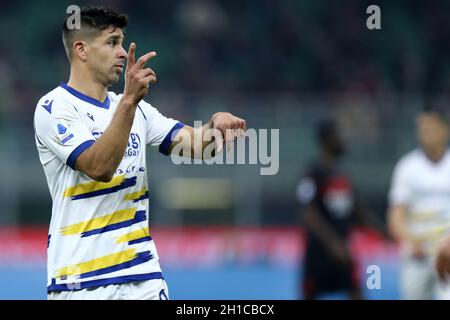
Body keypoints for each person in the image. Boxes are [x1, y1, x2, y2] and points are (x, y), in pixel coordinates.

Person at [33, 6, 245, 300]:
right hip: (81, 282)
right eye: (112, 42)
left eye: (122, 42)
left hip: (144, 277)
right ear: (81, 49)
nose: (122, 52)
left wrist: (216, 126)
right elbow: (98, 167)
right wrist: (129, 101)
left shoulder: (138, 111)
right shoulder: (54, 108)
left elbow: (199, 147)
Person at [296, 119, 378, 300]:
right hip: (319, 252)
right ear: (328, 139)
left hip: (343, 249)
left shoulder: (342, 175)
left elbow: (358, 210)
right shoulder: (313, 173)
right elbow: (309, 213)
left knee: (356, 291)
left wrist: (382, 231)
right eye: (340, 134)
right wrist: (333, 244)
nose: (344, 139)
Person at [388, 106, 450, 300]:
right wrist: (410, 241)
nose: (425, 133)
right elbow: (396, 214)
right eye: (422, 128)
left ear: (445, 130)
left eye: (431, 127)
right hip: (417, 255)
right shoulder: (407, 167)